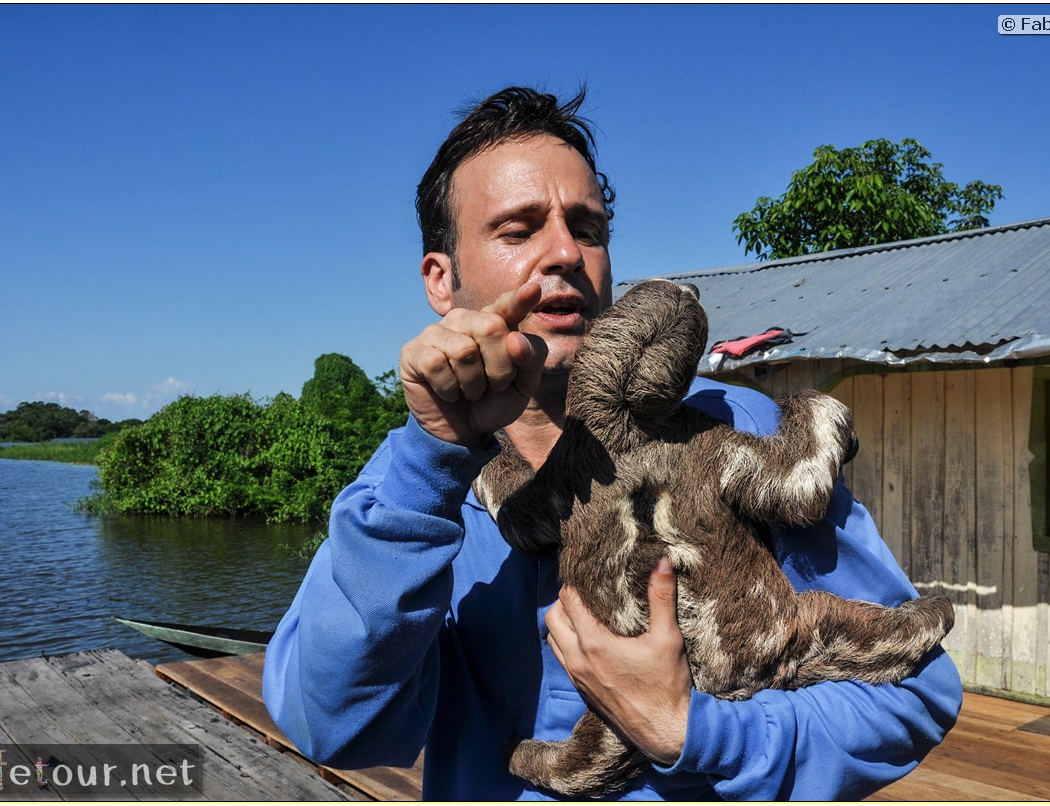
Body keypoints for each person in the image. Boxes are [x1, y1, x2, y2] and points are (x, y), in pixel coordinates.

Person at [262, 86, 962, 800]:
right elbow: (335, 729)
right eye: (518, 228)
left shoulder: (734, 426)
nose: (565, 252)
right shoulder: (413, 490)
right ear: (442, 280)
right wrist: (432, 454)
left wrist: (686, 729)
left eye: (587, 228)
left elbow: (916, 694)